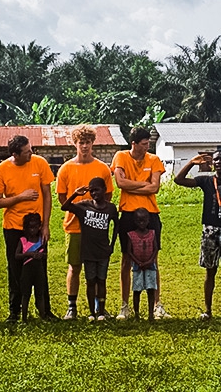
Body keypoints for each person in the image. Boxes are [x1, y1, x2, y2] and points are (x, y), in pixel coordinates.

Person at [173, 151, 221, 320]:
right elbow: (178, 180)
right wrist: (192, 163)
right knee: (210, 271)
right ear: (212, 163)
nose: (219, 162)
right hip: (209, 230)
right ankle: (207, 311)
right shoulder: (206, 181)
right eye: (216, 160)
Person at [0, 134, 54, 323]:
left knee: (40, 268)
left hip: (36, 229)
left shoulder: (40, 163)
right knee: (15, 269)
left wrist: (46, 225)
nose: (31, 154)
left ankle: (45, 311)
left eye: (31, 149)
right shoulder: (1, 170)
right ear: (15, 154)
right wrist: (21, 197)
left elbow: (47, 196)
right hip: (14, 228)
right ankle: (15, 312)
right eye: (27, 152)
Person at [55, 125, 114, 320]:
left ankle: (98, 307)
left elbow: (109, 196)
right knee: (74, 266)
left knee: (97, 268)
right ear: (75, 144)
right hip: (74, 226)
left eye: (88, 142)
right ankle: (72, 306)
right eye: (82, 143)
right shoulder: (66, 168)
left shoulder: (102, 168)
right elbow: (62, 198)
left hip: (96, 227)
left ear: (93, 144)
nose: (85, 146)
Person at [111, 127, 169, 319]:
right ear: (133, 143)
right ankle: (125, 306)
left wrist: (133, 185)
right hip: (128, 213)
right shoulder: (120, 156)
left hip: (150, 213)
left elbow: (155, 187)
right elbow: (120, 183)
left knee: (153, 259)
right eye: (144, 144)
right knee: (126, 258)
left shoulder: (154, 160)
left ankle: (156, 305)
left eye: (148, 144)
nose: (147, 147)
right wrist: (144, 185)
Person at [60, 178, 121, 321]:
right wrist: (75, 194)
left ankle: (101, 311)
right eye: (91, 190)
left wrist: (111, 245)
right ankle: (91, 313)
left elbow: (116, 225)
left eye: (97, 190)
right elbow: (65, 207)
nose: (94, 193)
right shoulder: (84, 206)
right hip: (88, 251)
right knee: (90, 280)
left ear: (104, 190)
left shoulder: (110, 208)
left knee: (102, 280)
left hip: (103, 251)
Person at [14, 213, 53, 321]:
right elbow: (17, 256)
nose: (32, 230)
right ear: (26, 228)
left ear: (39, 227)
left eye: (35, 227)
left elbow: (45, 254)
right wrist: (29, 254)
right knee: (25, 295)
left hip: (38, 270)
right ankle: (24, 318)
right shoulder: (23, 240)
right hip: (26, 271)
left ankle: (42, 315)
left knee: (39, 293)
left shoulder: (42, 240)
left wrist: (41, 255)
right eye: (30, 227)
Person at [127, 211, 160, 321]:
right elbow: (129, 251)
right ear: (135, 221)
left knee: (151, 289)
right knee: (137, 290)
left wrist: (150, 261)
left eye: (144, 220)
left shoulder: (152, 233)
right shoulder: (131, 235)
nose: (142, 223)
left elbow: (156, 248)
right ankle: (136, 315)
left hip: (150, 266)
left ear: (148, 221)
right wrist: (138, 262)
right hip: (137, 267)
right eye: (139, 221)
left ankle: (151, 314)